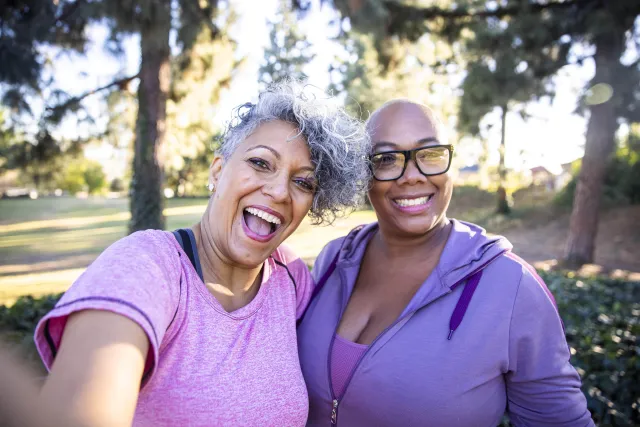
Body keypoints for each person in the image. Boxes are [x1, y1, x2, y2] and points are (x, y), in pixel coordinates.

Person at [33, 80, 371, 427]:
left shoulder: (290, 276)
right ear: (218, 169)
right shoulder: (146, 265)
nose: (279, 191)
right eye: (260, 163)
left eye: (303, 182)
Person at [297, 99, 595, 426]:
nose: (411, 176)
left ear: (451, 162)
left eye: (430, 154)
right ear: (364, 172)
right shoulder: (333, 260)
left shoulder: (512, 286)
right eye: (386, 159)